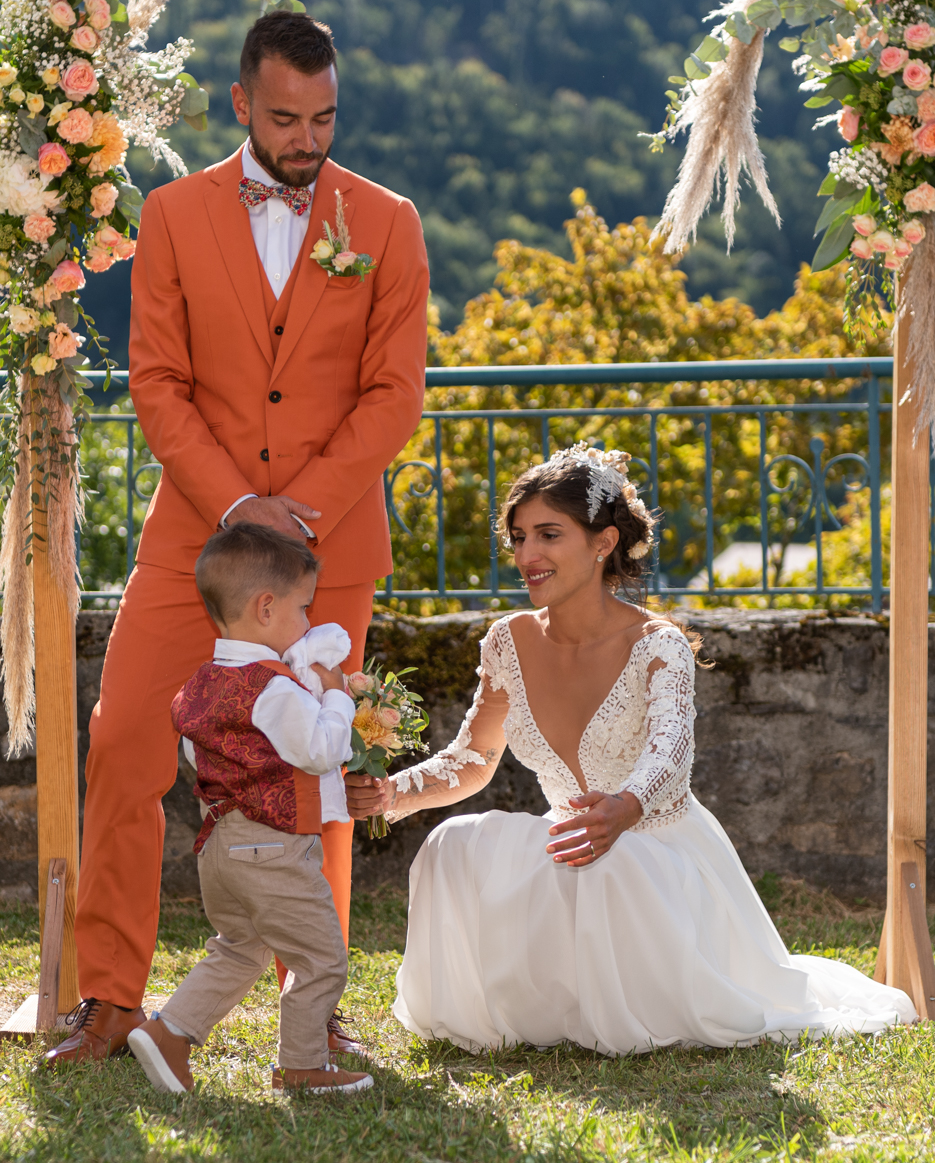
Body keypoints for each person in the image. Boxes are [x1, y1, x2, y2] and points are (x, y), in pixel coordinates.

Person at [48, 10, 429, 1067]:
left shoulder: (387, 220)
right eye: (284, 118)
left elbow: (395, 393)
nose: (306, 139)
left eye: (324, 118)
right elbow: (158, 381)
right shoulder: (171, 212)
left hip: (329, 546)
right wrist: (238, 507)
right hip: (193, 538)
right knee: (125, 741)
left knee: (317, 772)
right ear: (240, 104)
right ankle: (110, 999)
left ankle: (316, 1008)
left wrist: (299, 509)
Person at [346, 446, 915, 1054]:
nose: (527, 555)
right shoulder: (506, 641)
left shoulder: (657, 642)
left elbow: (670, 754)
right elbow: (473, 758)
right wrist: (392, 793)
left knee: (611, 864)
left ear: (603, 542)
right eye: (518, 538)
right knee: (452, 845)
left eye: (548, 535)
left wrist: (625, 807)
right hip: (571, 843)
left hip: (657, 852)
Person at [128, 524, 372, 1095]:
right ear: (266, 608)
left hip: (220, 844)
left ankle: (169, 1033)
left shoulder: (201, 683)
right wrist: (337, 695)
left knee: (240, 948)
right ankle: (303, 1066)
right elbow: (321, 750)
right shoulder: (276, 687)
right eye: (303, 608)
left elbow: (198, 755)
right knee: (320, 959)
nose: (308, 622)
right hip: (273, 847)